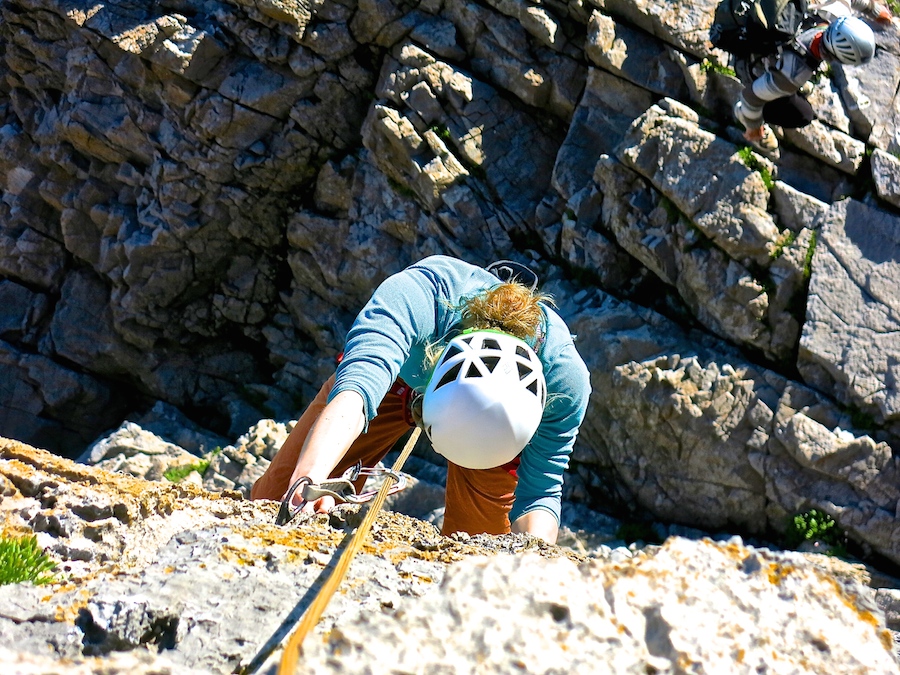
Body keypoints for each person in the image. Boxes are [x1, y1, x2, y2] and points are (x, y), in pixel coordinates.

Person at [251, 255, 591, 544]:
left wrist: (534, 556)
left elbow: (540, 491)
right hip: (397, 377)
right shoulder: (419, 297)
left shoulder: (564, 381)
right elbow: (356, 392)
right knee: (275, 500)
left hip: (498, 435)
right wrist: (309, 482)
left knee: (484, 571)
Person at [732, 0, 891, 150]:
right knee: (802, 115)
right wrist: (753, 125)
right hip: (750, 63)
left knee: (786, 86)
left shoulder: (835, 11)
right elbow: (750, 96)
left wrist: (875, 10)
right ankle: (744, 116)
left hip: (758, 17)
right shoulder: (794, 74)